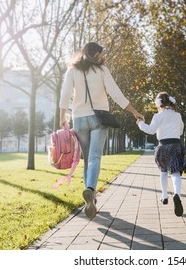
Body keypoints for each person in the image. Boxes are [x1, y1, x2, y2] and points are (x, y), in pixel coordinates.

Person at [59, 42, 144, 219]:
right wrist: (135, 112)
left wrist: (62, 117)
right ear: (94, 54)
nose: (101, 57)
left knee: (87, 159)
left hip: (79, 119)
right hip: (98, 118)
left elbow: (65, 94)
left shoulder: (72, 70)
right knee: (95, 158)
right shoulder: (102, 70)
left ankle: (90, 199)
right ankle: (90, 189)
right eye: (99, 54)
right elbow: (116, 93)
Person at [136, 92, 186, 217]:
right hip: (176, 146)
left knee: (163, 172)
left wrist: (140, 124)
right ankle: (177, 194)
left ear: (159, 103)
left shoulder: (157, 116)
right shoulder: (178, 115)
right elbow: (181, 131)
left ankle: (164, 197)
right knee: (175, 173)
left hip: (162, 147)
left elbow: (150, 130)